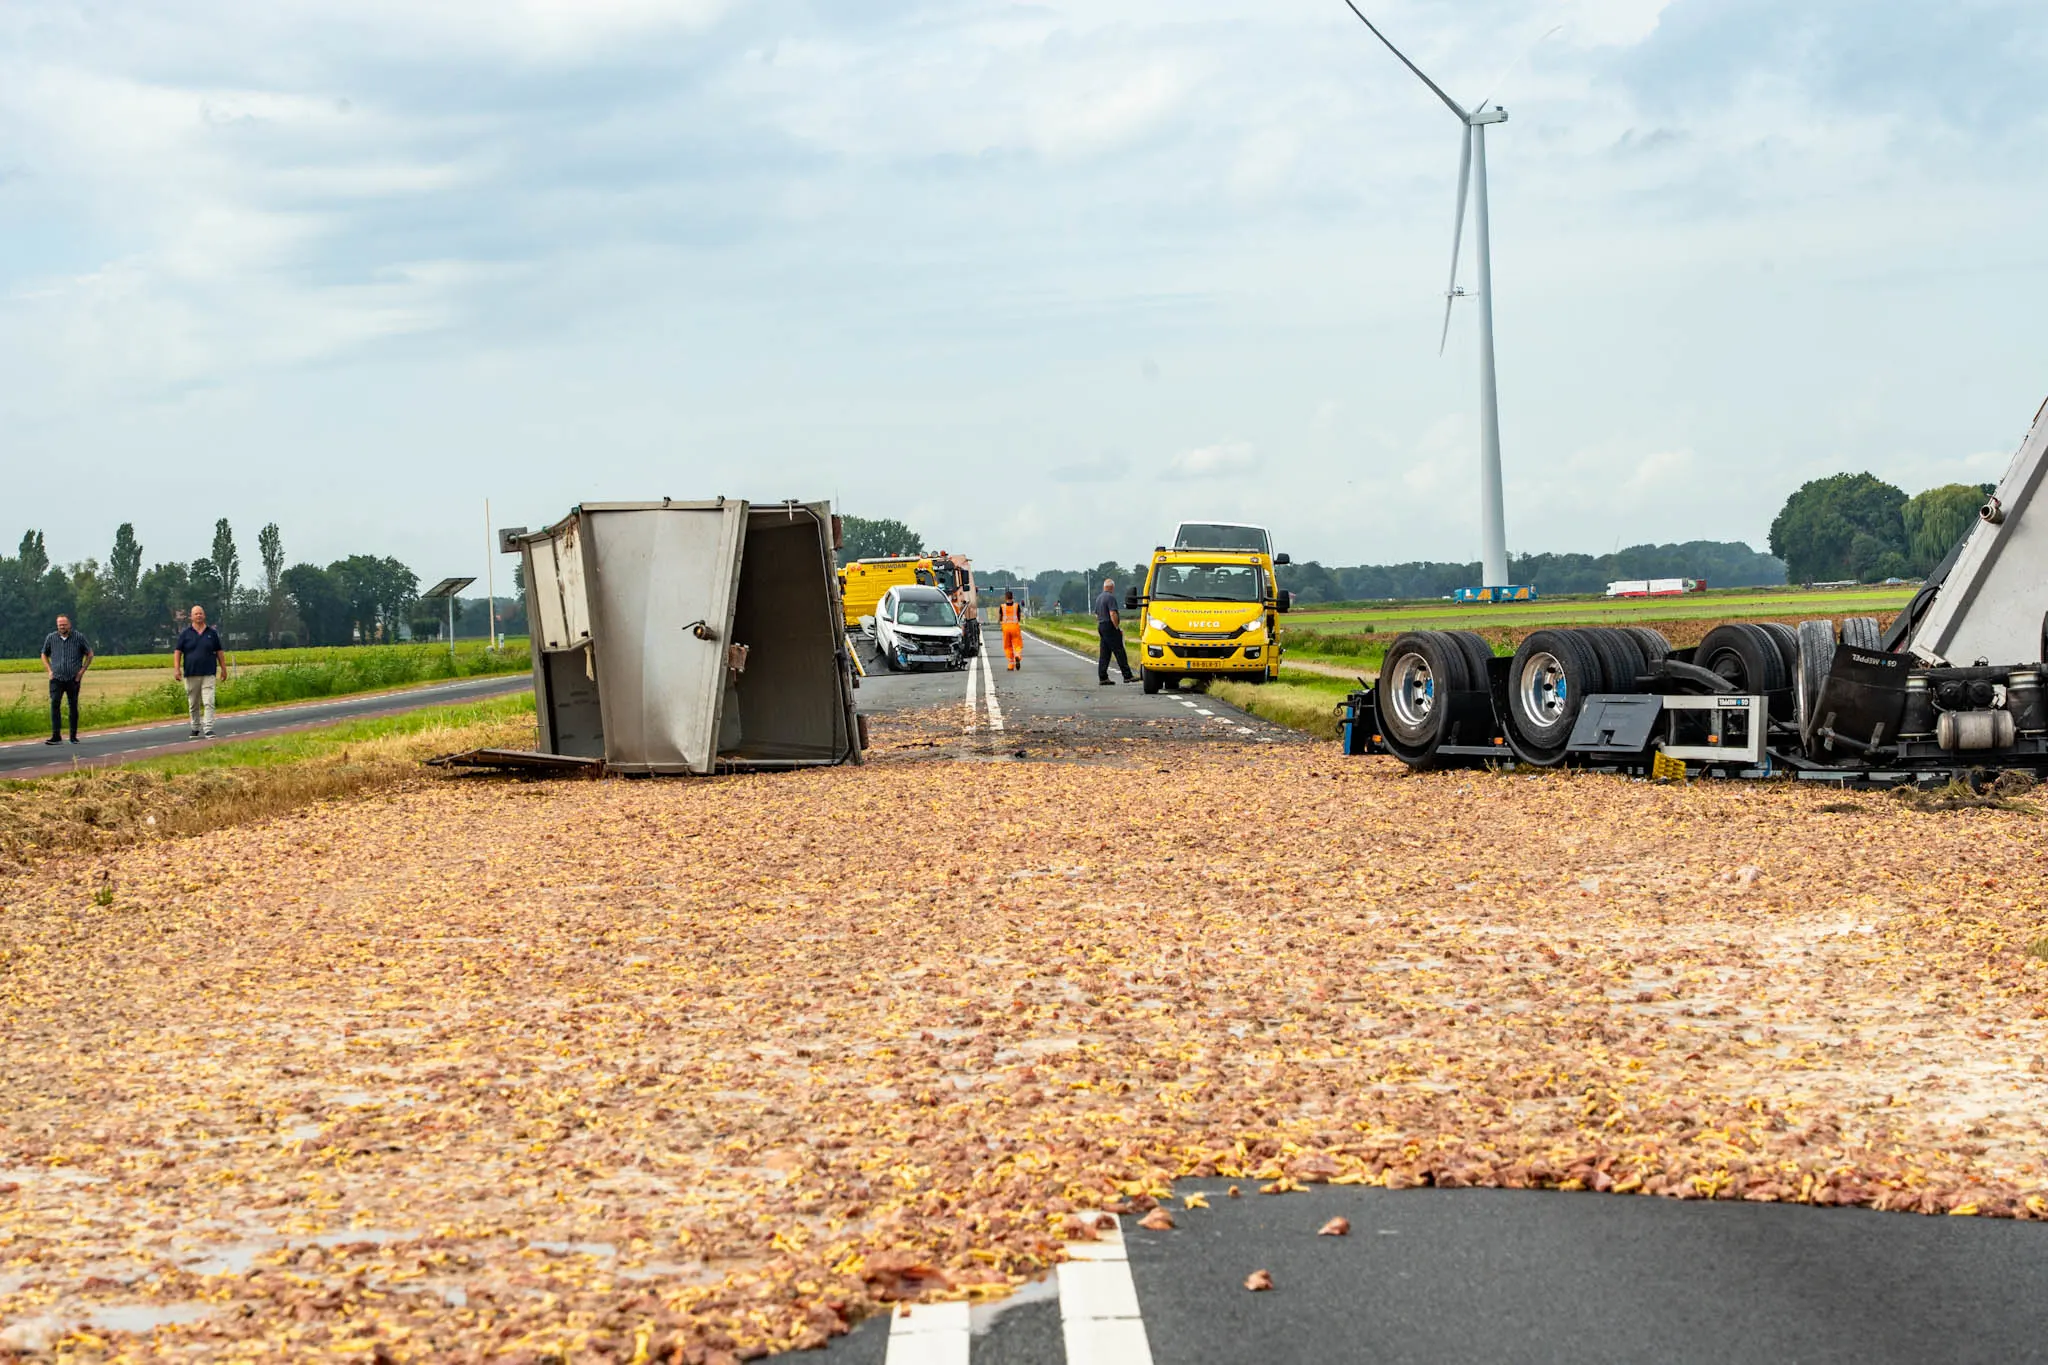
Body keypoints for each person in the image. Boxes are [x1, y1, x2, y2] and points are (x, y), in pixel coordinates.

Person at [173, 604, 229, 738]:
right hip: (191, 673)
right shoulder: (185, 634)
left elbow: (219, 651)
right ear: (191, 617)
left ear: (204, 616)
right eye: (196, 614)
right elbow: (178, 651)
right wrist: (177, 669)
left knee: (209, 701)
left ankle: (208, 728)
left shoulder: (212, 633)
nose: (199, 616)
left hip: (208, 672)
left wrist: (223, 668)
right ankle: (195, 727)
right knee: (193, 703)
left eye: (201, 613)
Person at [41, 614, 94, 745]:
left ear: (69, 625)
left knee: (73, 705)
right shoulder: (51, 638)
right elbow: (43, 653)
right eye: (60, 625)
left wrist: (81, 672)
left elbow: (90, 654)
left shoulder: (79, 637)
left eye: (64, 624)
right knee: (55, 704)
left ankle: (73, 735)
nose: (62, 627)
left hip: (73, 678)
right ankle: (56, 735)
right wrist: (49, 670)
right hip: (56, 678)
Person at [1095, 577, 1135, 685]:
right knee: (1119, 650)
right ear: (1112, 587)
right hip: (1109, 626)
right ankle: (1127, 675)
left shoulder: (1099, 598)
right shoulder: (1110, 598)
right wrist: (1116, 627)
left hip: (1101, 625)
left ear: (1104, 587)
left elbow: (1097, 614)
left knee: (1105, 652)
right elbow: (1113, 613)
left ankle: (1103, 677)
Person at [999, 589, 1025, 671]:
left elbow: (1000, 617)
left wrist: (1002, 622)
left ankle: (1010, 665)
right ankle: (1017, 656)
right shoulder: (1016, 606)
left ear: (1006, 597)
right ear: (1012, 597)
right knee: (1017, 644)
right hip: (1015, 627)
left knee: (1007, 646)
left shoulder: (1002, 606)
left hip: (1006, 627)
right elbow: (1019, 617)